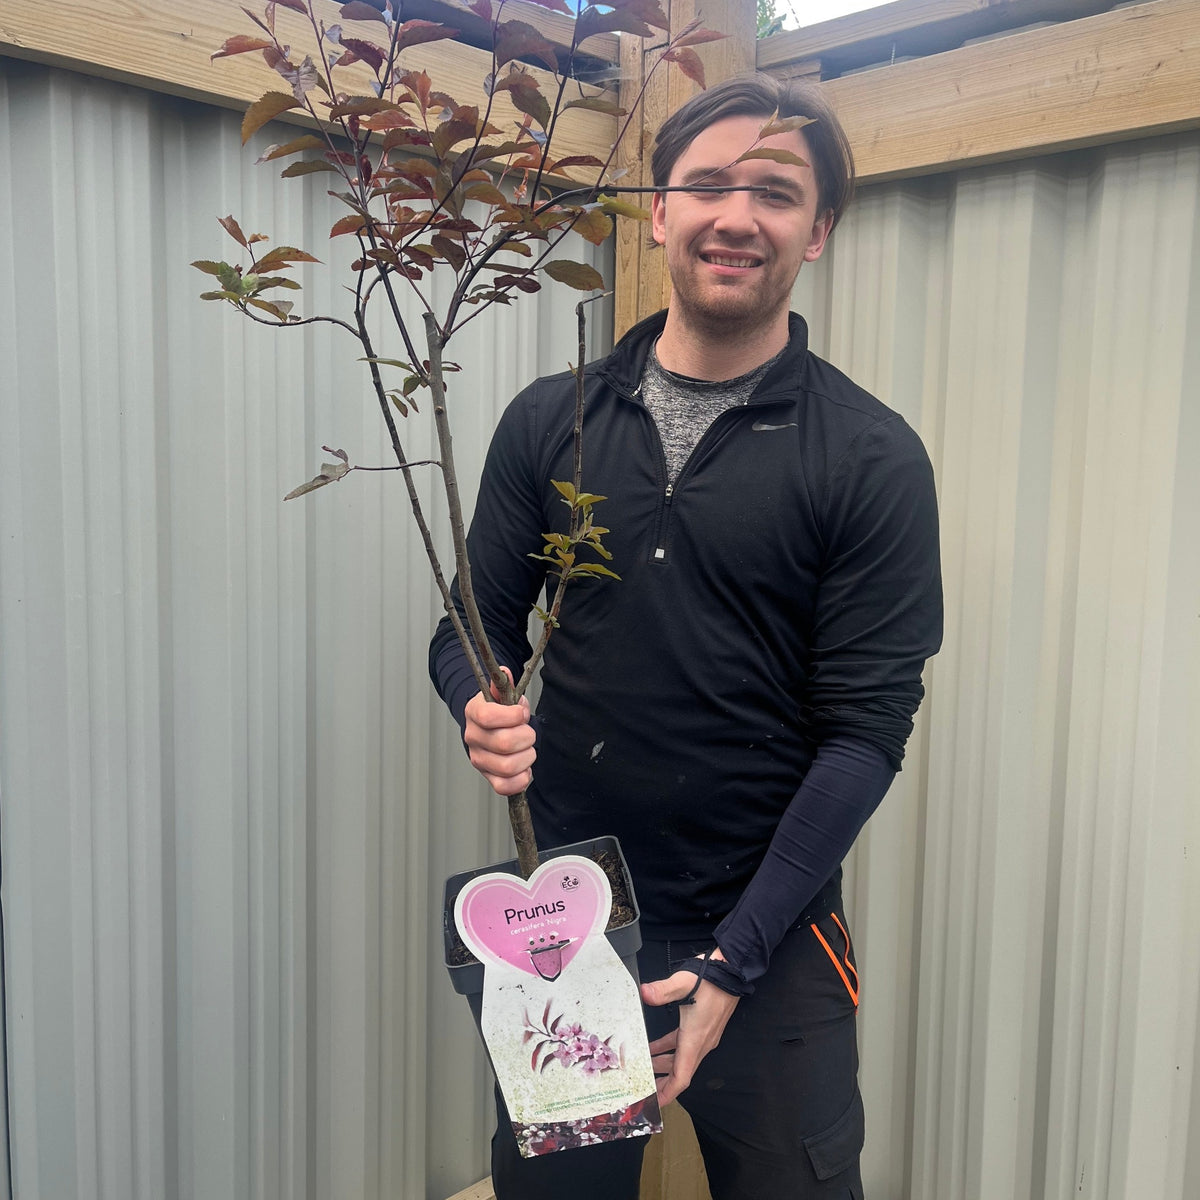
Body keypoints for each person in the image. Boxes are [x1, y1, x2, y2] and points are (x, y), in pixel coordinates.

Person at [430, 74, 942, 1200]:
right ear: (659, 212)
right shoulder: (553, 419)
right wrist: (480, 698)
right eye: (707, 184)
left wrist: (735, 957)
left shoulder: (869, 457)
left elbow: (866, 732)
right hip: (570, 922)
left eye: (777, 192)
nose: (737, 216)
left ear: (818, 230)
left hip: (777, 936)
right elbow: (466, 627)